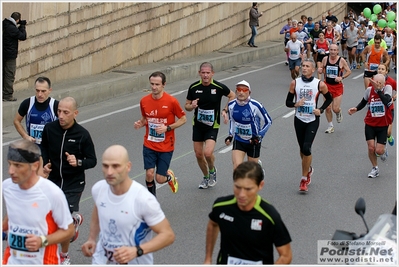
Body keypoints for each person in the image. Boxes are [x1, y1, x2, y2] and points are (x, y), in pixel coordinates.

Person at [81, 145, 175, 264]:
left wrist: (137, 251)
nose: (109, 172)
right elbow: (98, 208)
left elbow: (168, 235)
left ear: (128, 166)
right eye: (105, 166)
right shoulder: (99, 188)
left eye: (116, 166)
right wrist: (92, 238)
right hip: (102, 260)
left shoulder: (144, 199)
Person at [41, 96, 97, 264]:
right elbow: (43, 147)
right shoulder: (50, 129)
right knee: (50, 220)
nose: (61, 116)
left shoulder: (82, 134)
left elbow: (92, 160)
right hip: (52, 181)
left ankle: (64, 256)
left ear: (75, 113)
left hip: (74, 183)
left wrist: (78, 162)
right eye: (59, 111)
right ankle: (75, 220)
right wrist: (45, 164)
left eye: (66, 112)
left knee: (63, 225)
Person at [204, 161, 292, 265]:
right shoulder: (221, 206)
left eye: (248, 189)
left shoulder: (270, 216)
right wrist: (208, 259)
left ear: (260, 185)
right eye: (237, 187)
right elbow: (213, 224)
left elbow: (286, 255)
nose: (241, 194)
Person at [2, 139, 74, 265]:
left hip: (43, 261)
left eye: (18, 165)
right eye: (10, 164)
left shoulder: (52, 193)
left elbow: (69, 231)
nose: (11, 171)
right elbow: (13, 214)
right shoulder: (7, 187)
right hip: (11, 261)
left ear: (35, 165)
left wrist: (42, 241)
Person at [134, 71, 186, 196]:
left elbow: (183, 119)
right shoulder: (144, 101)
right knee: (149, 174)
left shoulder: (171, 101)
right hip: (149, 143)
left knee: (159, 179)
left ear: (164, 85)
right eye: (152, 84)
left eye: (157, 84)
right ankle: (152, 202)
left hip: (166, 145)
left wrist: (168, 128)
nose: (153, 87)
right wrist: (140, 123)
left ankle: (169, 176)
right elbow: (145, 118)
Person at [185, 62, 235, 189]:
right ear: (199, 73)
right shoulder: (194, 87)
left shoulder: (218, 87)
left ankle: (212, 171)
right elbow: (187, 106)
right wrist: (192, 106)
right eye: (203, 73)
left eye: (208, 73)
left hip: (212, 125)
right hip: (198, 125)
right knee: (198, 154)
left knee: (207, 153)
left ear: (212, 73)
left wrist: (225, 110)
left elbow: (232, 95)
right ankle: (206, 177)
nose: (205, 75)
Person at [285, 58, 332, 192]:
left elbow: (329, 98)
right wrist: (296, 104)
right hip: (299, 119)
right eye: (303, 66)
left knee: (307, 148)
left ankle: (304, 179)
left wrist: (321, 110)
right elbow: (288, 102)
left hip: (312, 119)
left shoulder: (320, 84)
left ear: (313, 69)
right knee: (302, 149)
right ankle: (309, 168)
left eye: (307, 66)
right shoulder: (295, 83)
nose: (304, 68)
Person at [348, 74, 393, 178]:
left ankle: (384, 150)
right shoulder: (369, 90)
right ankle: (375, 168)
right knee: (371, 148)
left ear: (383, 83)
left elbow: (386, 101)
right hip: (370, 123)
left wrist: (378, 91)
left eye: (379, 83)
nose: (377, 85)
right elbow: (363, 102)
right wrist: (356, 108)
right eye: (375, 83)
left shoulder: (387, 89)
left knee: (379, 150)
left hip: (383, 125)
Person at [224, 80, 272, 170]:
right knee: (237, 168)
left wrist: (259, 137)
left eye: (245, 90)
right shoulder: (231, 105)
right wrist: (230, 135)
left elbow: (268, 121)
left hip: (253, 142)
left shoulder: (255, 105)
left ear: (249, 92)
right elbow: (233, 121)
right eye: (239, 89)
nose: (241, 92)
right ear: (236, 91)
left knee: (251, 172)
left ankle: (258, 165)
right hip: (239, 140)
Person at [14, 77, 58, 146]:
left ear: (50, 90)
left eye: (43, 91)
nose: (40, 94)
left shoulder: (55, 105)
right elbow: (16, 120)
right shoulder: (27, 103)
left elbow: (69, 123)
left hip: (49, 149)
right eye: (37, 91)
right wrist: (25, 136)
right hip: (33, 149)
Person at [319, 44, 351, 134]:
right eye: (331, 50)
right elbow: (321, 68)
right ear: (329, 50)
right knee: (327, 107)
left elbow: (349, 71)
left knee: (335, 108)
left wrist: (342, 77)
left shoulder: (341, 60)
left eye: (334, 50)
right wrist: (320, 70)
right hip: (327, 86)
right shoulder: (325, 59)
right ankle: (330, 126)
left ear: (337, 51)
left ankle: (338, 112)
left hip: (337, 87)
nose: (333, 52)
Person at [3, 12, 27, 101]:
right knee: (10, 74)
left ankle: (4, 93)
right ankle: (7, 95)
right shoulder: (12, 28)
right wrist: (22, 26)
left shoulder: (4, 24)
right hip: (10, 55)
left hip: (4, 54)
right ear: (17, 20)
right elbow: (23, 36)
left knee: (4, 74)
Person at [375, 64, 397, 147]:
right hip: (378, 109)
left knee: (387, 132)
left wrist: (395, 96)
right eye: (379, 69)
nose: (380, 70)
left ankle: (389, 136)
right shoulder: (374, 81)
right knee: (378, 130)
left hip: (389, 109)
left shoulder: (391, 81)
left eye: (382, 69)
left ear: (386, 71)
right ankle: (382, 148)